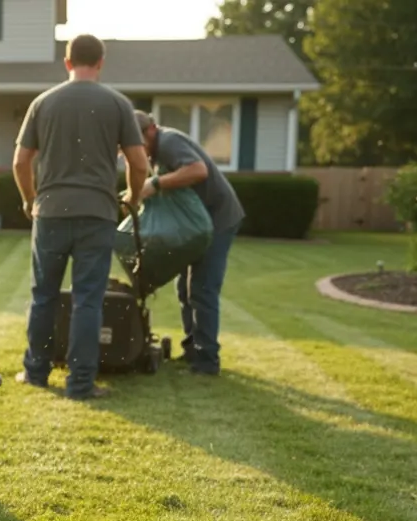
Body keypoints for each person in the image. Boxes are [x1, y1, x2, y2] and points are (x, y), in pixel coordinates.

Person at [12, 34, 151, 400]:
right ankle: (80, 383)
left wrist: (30, 200)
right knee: (88, 299)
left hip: (51, 212)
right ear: (101, 63)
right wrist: (133, 198)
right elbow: (139, 163)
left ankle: (36, 374)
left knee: (43, 295)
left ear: (67, 62)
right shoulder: (118, 104)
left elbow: (20, 161)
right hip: (98, 214)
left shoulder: (43, 103)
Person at [133, 110, 244, 376]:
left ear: (150, 131)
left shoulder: (169, 141)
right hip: (194, 224)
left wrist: (156, 183)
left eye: (137, 144)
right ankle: (192, 350)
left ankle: (207, 362)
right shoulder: (157, 149)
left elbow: (198, 170)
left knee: (202, 289)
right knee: (184, 288)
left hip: (217, 220)